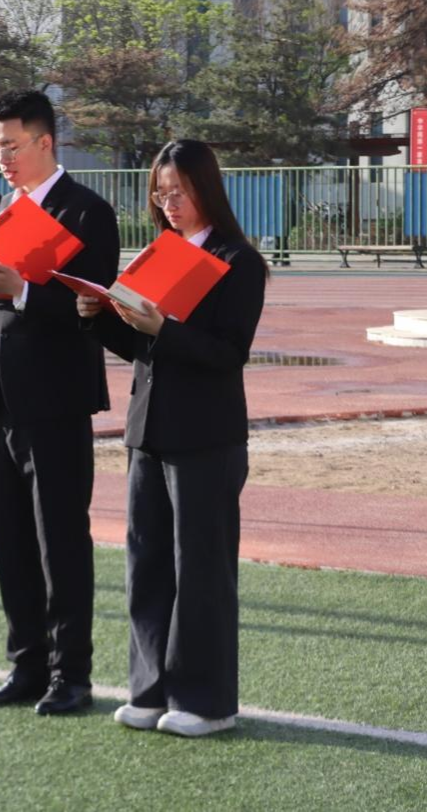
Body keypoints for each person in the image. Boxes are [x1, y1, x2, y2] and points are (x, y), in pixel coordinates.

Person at [77, 139, 266, 737]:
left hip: (206, 436)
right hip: (149, 429)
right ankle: (150, 689)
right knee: (147, 562)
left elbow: (228, 353)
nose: (169, 202)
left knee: (201, 570)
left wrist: (165, 327)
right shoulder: (159, 253)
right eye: (160, 193)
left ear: (206, 188)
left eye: (178, 191)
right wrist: (100, 317)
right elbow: (143, 349)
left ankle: (207, 703)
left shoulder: (239, 261)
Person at [0, 90, 120, 716]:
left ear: (45, 142)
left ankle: (70, 674)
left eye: (10, 145)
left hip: (57, 400)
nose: (1, 157)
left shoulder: (87, 212)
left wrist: (21, 287)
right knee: (10, 541)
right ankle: (25, 666)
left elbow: (92, 306)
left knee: (61, 542)